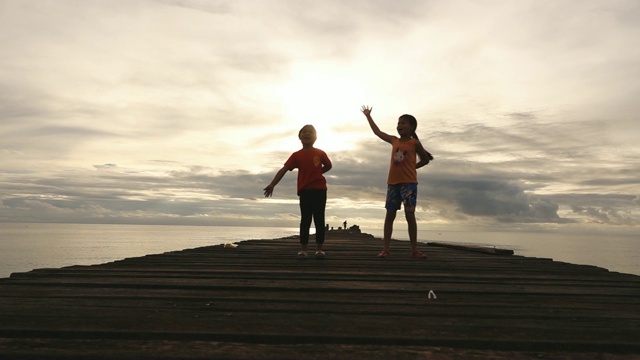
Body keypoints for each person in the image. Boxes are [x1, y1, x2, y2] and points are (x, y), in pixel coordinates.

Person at [361, 105, 433, 259]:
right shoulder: (394, 140)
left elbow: (425, 159)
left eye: (403, 123)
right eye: (398, 123)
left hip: (409, 184)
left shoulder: (415, 143)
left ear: (412, 127)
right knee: (390, 215)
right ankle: (386, 249)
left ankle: (414, 250)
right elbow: (377, 132)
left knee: (410, 216)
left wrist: (413, 168)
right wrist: (368, 116)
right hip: (393, 183)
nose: (399, 126)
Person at [264, 125, 332, 259]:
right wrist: (272, 184)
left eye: (310, 132)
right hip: (305, 191)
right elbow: (283, 170)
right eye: (304, 132)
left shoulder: (320, 153)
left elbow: (329, 165)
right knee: (305, 220)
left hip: (320, 191)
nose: (307, 134)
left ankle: (319, 249)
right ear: (299, 136)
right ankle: (304, 249)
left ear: (315, 137)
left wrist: (317, 173)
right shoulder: (296, 155)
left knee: (319, 219)